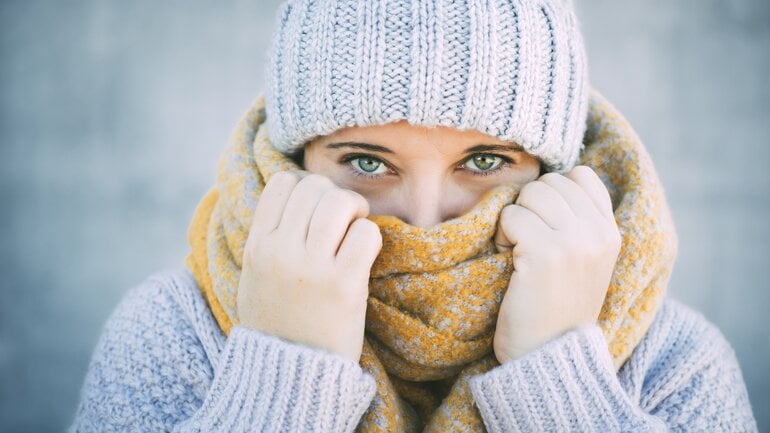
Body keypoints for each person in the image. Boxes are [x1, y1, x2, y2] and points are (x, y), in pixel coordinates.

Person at [69, 0, 758, 432]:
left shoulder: (670, 361)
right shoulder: (175, 333)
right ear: (296, 160)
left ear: (553, 173)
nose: (424, 223)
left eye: (485, 161)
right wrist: (283, 376)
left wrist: (560, 379)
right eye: (367, 162)